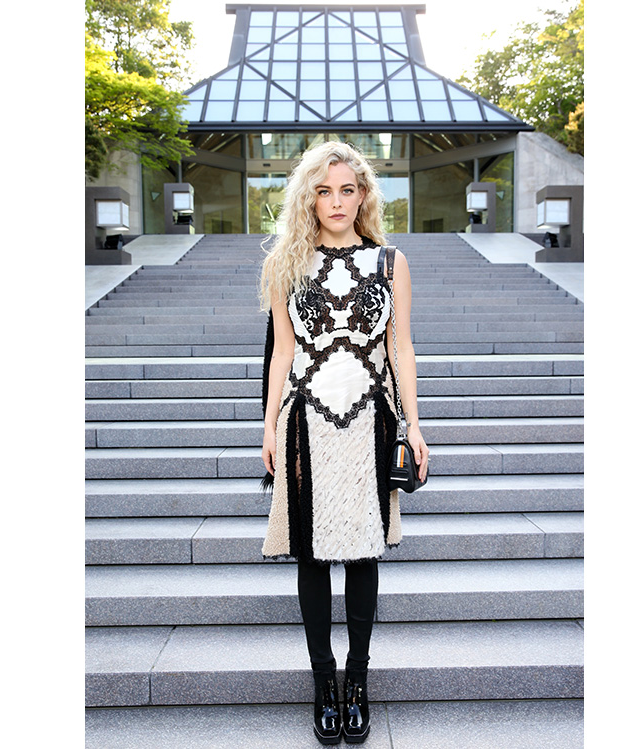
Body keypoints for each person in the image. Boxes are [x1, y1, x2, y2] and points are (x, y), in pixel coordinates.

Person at [256, 139, 429, 745]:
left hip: (368, 424)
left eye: (347, 190)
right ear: (308, 198)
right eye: (323, 191)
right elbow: (282, 352)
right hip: (305, 421)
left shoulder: (390, 263)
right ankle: (323, 684)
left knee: (362, 554)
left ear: (363, 196)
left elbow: (400, 348)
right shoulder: (285, 265)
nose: (335, 201)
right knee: (310, 556)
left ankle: (357, 681)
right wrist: (268, 426)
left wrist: (414, 425)